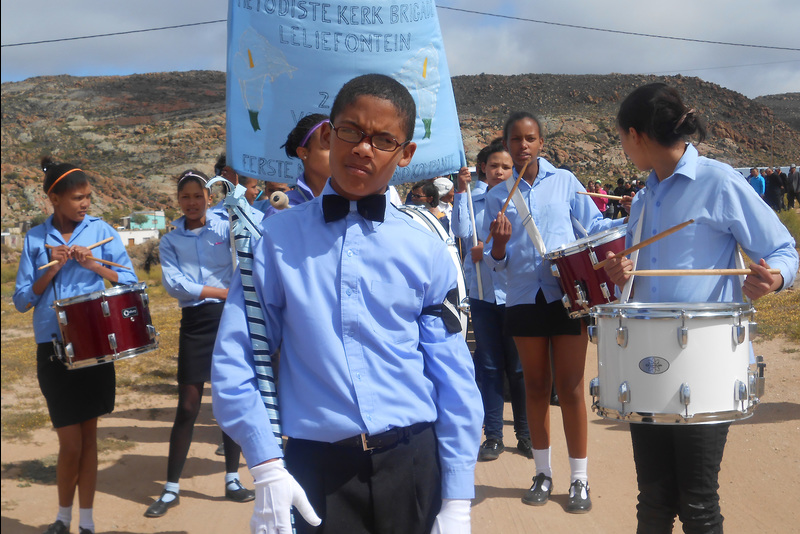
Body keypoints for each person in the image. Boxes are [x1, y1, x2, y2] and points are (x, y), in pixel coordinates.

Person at [211, 73, 483, 534]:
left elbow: (453, 374)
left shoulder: (427, 247)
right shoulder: (276, 239)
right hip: (316, 468)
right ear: (331, 133)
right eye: (351, 132)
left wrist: (457, 497)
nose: (363, 148)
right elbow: (237, 358)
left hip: (412, 464)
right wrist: (266, 465)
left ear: (406, 154)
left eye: (383, 140)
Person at [604, 82, 798, 534]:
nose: (622, 148)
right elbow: (642, 275)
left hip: (706, 365)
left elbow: (785, 249)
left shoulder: (719, 181)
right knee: (652, 499)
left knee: (697, 501)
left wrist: (773, 278)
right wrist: (623, 273)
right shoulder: (643, 197)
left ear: (636, 135)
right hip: (647, 363)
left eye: (620, 139)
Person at [483, 111, 624, 514]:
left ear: (541, 142)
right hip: (524, 299)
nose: (523, 146)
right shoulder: (497, 195)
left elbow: (594, 225)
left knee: (572, 386)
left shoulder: (564, 182)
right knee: (536, 387)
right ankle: (542, 473)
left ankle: (579, 479)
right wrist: (497, 246)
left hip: (569, 297)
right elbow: (495, 265)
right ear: (506, 144)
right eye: (515, 140)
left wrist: (627, 223)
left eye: (530, 138)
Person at [14, 157, 138, 534]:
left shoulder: (102, 231)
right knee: (70, 442)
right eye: (77, 198)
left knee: (89, 438)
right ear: (54, 198)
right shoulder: (36, 239)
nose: (85, 204)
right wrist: (49, 269)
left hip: (94, 345)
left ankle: (85, 521)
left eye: (88, 197)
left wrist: (95, 266)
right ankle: (62, 517)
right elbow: (21, 300)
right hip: (52, 348)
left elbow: (128, 280)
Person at [145, 170, 257, 518]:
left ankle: (232, 479)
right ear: (178, 201)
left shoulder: (225, 226)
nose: (192, 203)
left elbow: (257, 227)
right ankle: (171, 488)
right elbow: (176, 285)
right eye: (185, 197)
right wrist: (219, 291)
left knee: (227, 402)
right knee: (189, 406)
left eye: (198, 196)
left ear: (209, 197)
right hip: (195, 324)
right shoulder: (170, 239)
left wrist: (237, 190)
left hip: (229, 320)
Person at [451, 141, 531, 462]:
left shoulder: (522, 201)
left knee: (518, 367)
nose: (500, 171)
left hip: (515, 293)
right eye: (494, 165)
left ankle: (525, 434)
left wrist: (488, 249)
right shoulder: (474, 199)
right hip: (483, 293)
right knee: (488, 365)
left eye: (507, 167)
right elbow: (461, 229)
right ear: (482, 167)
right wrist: (460, 191)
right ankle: (494, 435)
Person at [262, 113, 331, 217]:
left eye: (339, 146)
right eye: (328, 147)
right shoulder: (281, 211)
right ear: (303, 153)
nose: (337, 154)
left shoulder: (357, 207)